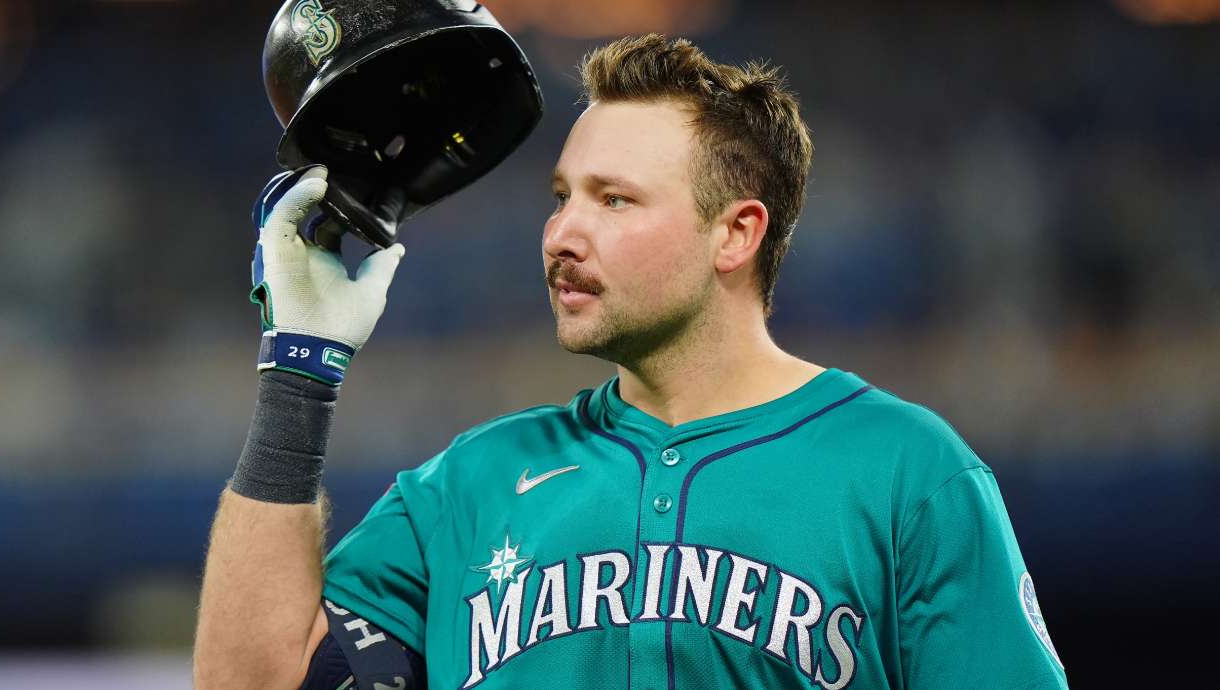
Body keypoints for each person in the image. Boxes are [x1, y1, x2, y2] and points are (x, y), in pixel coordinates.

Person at [194, 34, 1069, 690]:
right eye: (563, 197)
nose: (563, 234)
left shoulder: (908, 474)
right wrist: (299, 369)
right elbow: (249, 682)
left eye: (615, 200)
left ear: (736, 233)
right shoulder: (468, 486)